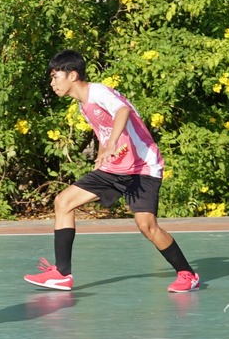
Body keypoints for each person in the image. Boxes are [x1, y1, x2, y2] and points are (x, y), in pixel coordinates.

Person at [23, 51, 199, 293]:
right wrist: (103, 152)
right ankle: (62, 274)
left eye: (55, 77)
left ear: (72, 75)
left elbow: (123, 111)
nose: (52, 83)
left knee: (146, 225)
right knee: (63, 202)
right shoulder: (84, 105)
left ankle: (187, 274)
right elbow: (106, 129)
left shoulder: (98, 92)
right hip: (113, 168)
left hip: (142, 168)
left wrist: (111, 144)